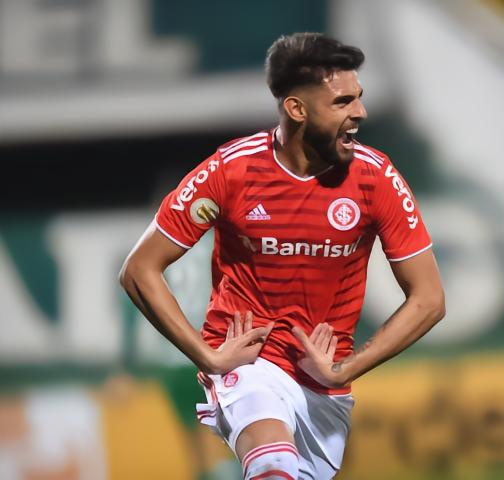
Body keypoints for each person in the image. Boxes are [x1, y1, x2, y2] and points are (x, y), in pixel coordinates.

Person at [119, 32, 445, 480]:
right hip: (248, 364)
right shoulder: (232, 170)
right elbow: (139, 268)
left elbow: (429, 299)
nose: (360, 113)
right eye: (343, 102)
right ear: (297, 109)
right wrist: (207, 356)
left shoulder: (376, 178)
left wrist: (345, 369)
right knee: (273, 463)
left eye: (359, 98)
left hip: (324, 386)